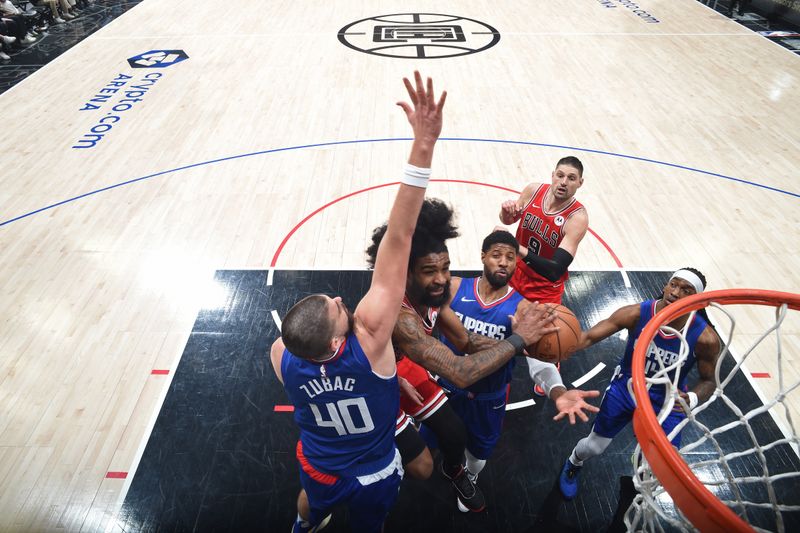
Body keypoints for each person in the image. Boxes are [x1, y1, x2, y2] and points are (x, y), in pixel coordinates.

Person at [269, 71, 446, 533]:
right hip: (373, 472)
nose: (342, 298)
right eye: (338, 310)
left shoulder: (283, 357)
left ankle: (304, 525)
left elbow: (300, 345)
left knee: (312, 503)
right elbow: (399, 236)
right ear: (334, 344)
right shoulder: (369, 342)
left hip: (320, 466)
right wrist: (423, 144)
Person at [365, 205, 562, 513]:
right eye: (430, 271)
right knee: (419, 467)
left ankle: (455, 471)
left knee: (454, 433)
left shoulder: (434, 295)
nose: (442, 279)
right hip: (369, 381)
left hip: (401, 364)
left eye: (446, 268)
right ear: (407, 272)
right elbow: (459, 371)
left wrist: (525, 348)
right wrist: (517, 339)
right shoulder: (400, 314)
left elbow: (465, 341)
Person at [436, 229, 600, 486]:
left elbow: (539, 361)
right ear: (483, 257)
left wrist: (557, 391)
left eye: (510, 257)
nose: (503, 262)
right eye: (496, 255)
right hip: (445, 388)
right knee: (430, 443)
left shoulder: (524, 310)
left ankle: (470, 477)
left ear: (517, 263)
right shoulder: (454, 287)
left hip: (487, 397)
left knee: (477, 455)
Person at [557, 268, 722, 500]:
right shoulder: (636, 313)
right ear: (665, 286)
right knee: (594, 447)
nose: (676, 292)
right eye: (673, 285)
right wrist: (558, 347)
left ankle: (642, 465)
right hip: (627, 389)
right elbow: (589, 336)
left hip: (667, 401)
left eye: (686, 290)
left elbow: (709, 380)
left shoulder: (705, 338)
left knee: (658, 467)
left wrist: (692, 398)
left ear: (697, 300)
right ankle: (574, 462)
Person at [498, 156, 589, 396]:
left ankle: (553, 377)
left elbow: (554, 269)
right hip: (515, 275)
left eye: (571, 178)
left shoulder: (577, 218)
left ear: (580, 183)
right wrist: (506, 214)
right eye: (560, 175)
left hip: (544, 288)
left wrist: (516, 247)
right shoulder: (533, 191)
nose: (563, 182)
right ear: (552, 175)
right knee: (498, 326)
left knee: (543, 346)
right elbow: (508, 220)